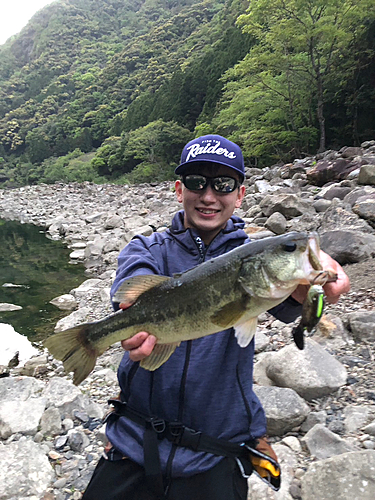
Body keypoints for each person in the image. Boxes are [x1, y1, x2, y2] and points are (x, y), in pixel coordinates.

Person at [82, 135, 350, 500]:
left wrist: (309, 285)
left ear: (239, 195)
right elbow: (130, 291)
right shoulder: (145, 249)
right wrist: (126, 327)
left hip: (217, 452)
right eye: (196, 182)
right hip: (134, 443)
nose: (209, 196)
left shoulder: (254, 259)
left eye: (223, 185)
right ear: (179, 190)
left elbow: (299, 306)